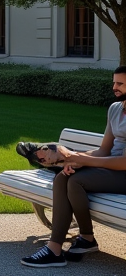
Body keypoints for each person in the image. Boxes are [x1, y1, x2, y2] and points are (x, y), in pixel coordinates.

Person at [19, 66, 126, 268]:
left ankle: (86, 238)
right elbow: (104, 150)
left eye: (120, 83)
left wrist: (80, 159)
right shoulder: (115, 109)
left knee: (76, 180)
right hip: (111, 169)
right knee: (63, 177)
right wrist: (72, 160)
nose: (114, 87)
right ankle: (55, 248)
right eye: (114, 82)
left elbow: (123, 162)